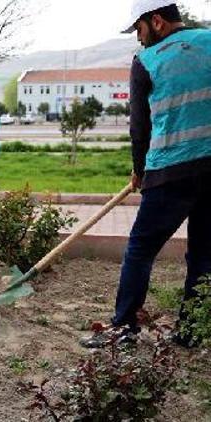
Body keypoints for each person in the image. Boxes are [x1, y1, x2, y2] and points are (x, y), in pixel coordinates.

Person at [81, 0, 211, 348]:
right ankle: (192, 332)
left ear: (156, 21)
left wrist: (139, 171)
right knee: (204, 253)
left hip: (170, 170)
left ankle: (123, 327)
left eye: (138, 30)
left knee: (140, 248)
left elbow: (140, 128)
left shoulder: (147, 61)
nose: (138, 40)